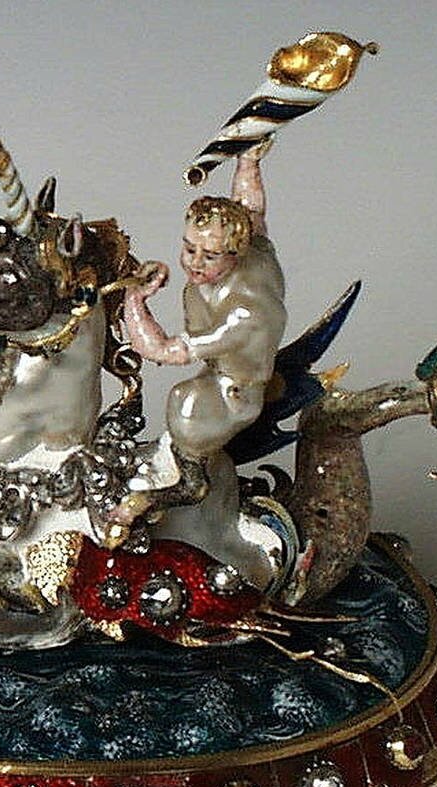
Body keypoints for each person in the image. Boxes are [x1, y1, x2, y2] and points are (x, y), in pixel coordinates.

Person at [108, 141, 286, 538]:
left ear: (236, 253)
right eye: (189, 248)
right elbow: (251, 208)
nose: (195, 262)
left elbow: (163, 350)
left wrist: (134, 302)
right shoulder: (251, 242)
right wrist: (249, 160)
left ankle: (182, 485)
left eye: (210, 255)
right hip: (218, 371)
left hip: (232, 393)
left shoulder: (246, 311)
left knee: (184, 400)